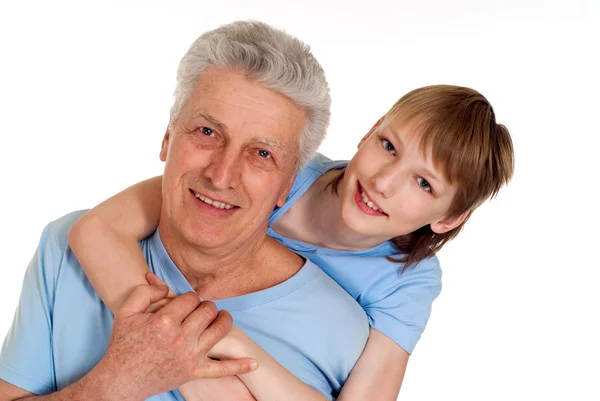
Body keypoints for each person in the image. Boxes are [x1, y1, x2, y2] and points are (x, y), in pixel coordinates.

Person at [67, 85, 515, 400]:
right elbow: (96, 228)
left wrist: (239, 350)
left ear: (449, 218)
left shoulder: (408, 281)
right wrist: (192, 368)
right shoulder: (277, 168)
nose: (382, 182)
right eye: (389, 146)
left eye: (422, 183)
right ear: (369, 129)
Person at [0, 20, 371, 401]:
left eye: (262, 154)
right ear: (167, 139)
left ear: (287, 186)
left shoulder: (339, 330)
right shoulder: (64, 248)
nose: (222, 175)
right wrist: (111, 386)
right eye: (207, 133)